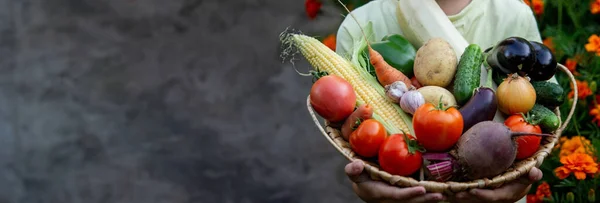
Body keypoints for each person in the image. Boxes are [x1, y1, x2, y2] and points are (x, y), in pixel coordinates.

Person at [335, 0, 549, 202]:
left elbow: (540, 131)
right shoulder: (357, 27)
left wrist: (521, 185)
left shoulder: (515, 15)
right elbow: (350, 146)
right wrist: (365, 188)